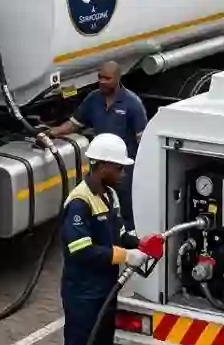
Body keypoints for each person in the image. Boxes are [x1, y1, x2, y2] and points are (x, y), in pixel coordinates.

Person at [48, 133, 157, 345]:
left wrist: (140, 245)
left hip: (105, 290)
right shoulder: (80, 202)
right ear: (102, 166)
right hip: (83, 293)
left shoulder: (110, 196)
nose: (122, 173)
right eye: (118, 168)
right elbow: (80, 249)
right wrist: (125, 256)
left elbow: (120, 231)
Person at [45, 61, 148, 234]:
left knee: (124, 210)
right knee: (97, 204)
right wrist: (52, 132)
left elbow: (142, 141)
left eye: (107, 78)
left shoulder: (132, 104)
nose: (102, 81)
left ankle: (128, 238)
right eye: (100, 77)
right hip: (99, 168)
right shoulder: (93, 99)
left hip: (121, 172)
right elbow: (75, 123)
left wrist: (144, 173)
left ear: (117, 79)